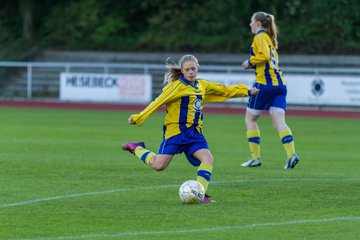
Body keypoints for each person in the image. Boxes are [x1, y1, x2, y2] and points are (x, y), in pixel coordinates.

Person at [122, 54, 259, 203]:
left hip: (194, 134)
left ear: (197, 68)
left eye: (193, 69)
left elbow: (224, 90)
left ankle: (202, 193)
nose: (191, 72)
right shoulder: (175, 87)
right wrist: (138, 117)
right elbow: (157, 102)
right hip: (176, 133)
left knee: (208, 159)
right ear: (182, 71)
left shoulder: (202, 85)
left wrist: (247, 92)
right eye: (187, 69)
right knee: (158, 165)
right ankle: (136, 148)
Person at [240, 12, 300, 169]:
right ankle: (291, 155)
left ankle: (255, 158)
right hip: (280, 85)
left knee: (250, 120)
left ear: (258, 24)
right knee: (280, 122)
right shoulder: (270, 38)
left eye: (251, 21)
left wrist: (249, 62)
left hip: (264, 84)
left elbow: (265, 56)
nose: (250, 24)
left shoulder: (260, 36)